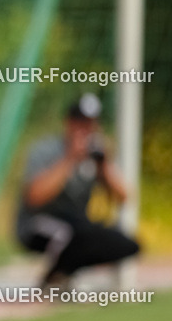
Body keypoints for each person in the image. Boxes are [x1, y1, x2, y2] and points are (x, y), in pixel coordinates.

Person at [17, 93, 140, 288]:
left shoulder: (97, 156)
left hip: (78, 224)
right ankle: (55, 280)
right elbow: (34, 197)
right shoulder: (46, 150)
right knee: (69, 234)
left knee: (125, 243)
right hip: (40, 223)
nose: (86, 130)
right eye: (80, 123)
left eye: (91, 124)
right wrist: (70, 158)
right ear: (68, 123)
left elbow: (124, 197)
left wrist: (104, 167)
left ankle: (59, 276)